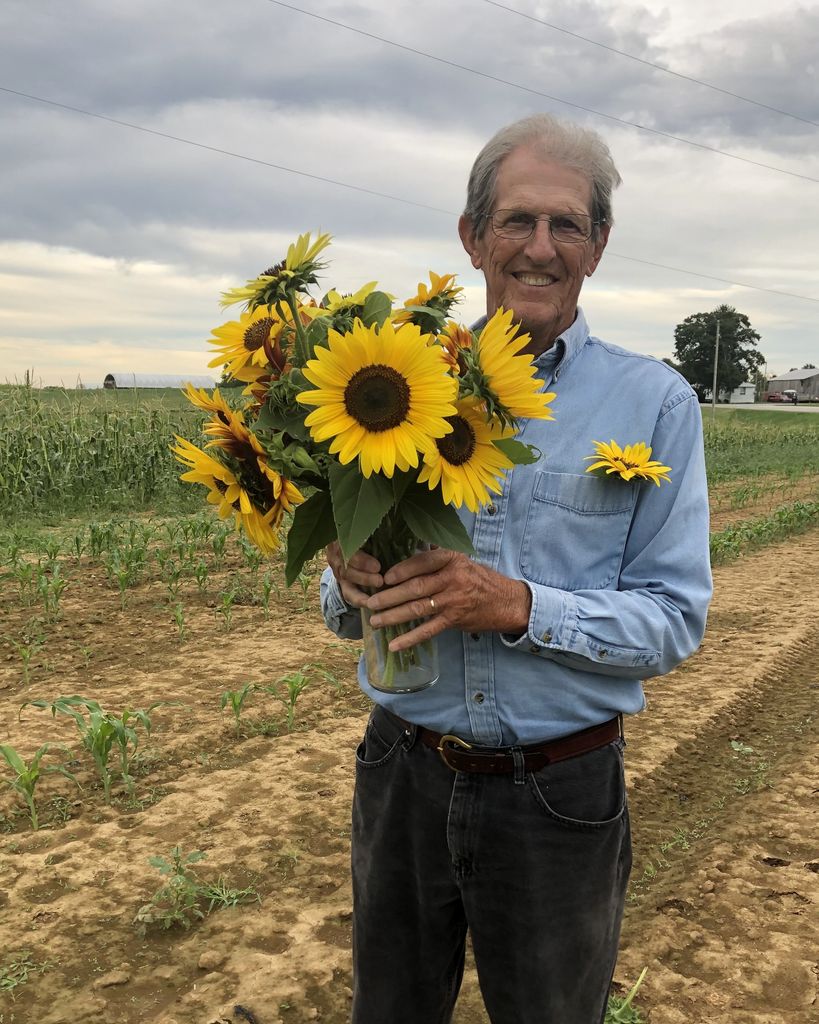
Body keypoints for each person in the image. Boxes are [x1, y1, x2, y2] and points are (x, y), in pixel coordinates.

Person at [319, 113, 712, 1024]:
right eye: (516, 221)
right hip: (401, 772)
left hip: (557, 793)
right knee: (389, 1008)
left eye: (566, 225)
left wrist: (519, 605)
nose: (540, 248)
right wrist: (347, 580)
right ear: (471, 237)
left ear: (598, 246)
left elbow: (672, 619)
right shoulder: (392, 383)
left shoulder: (652, 402)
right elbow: (341, 602)